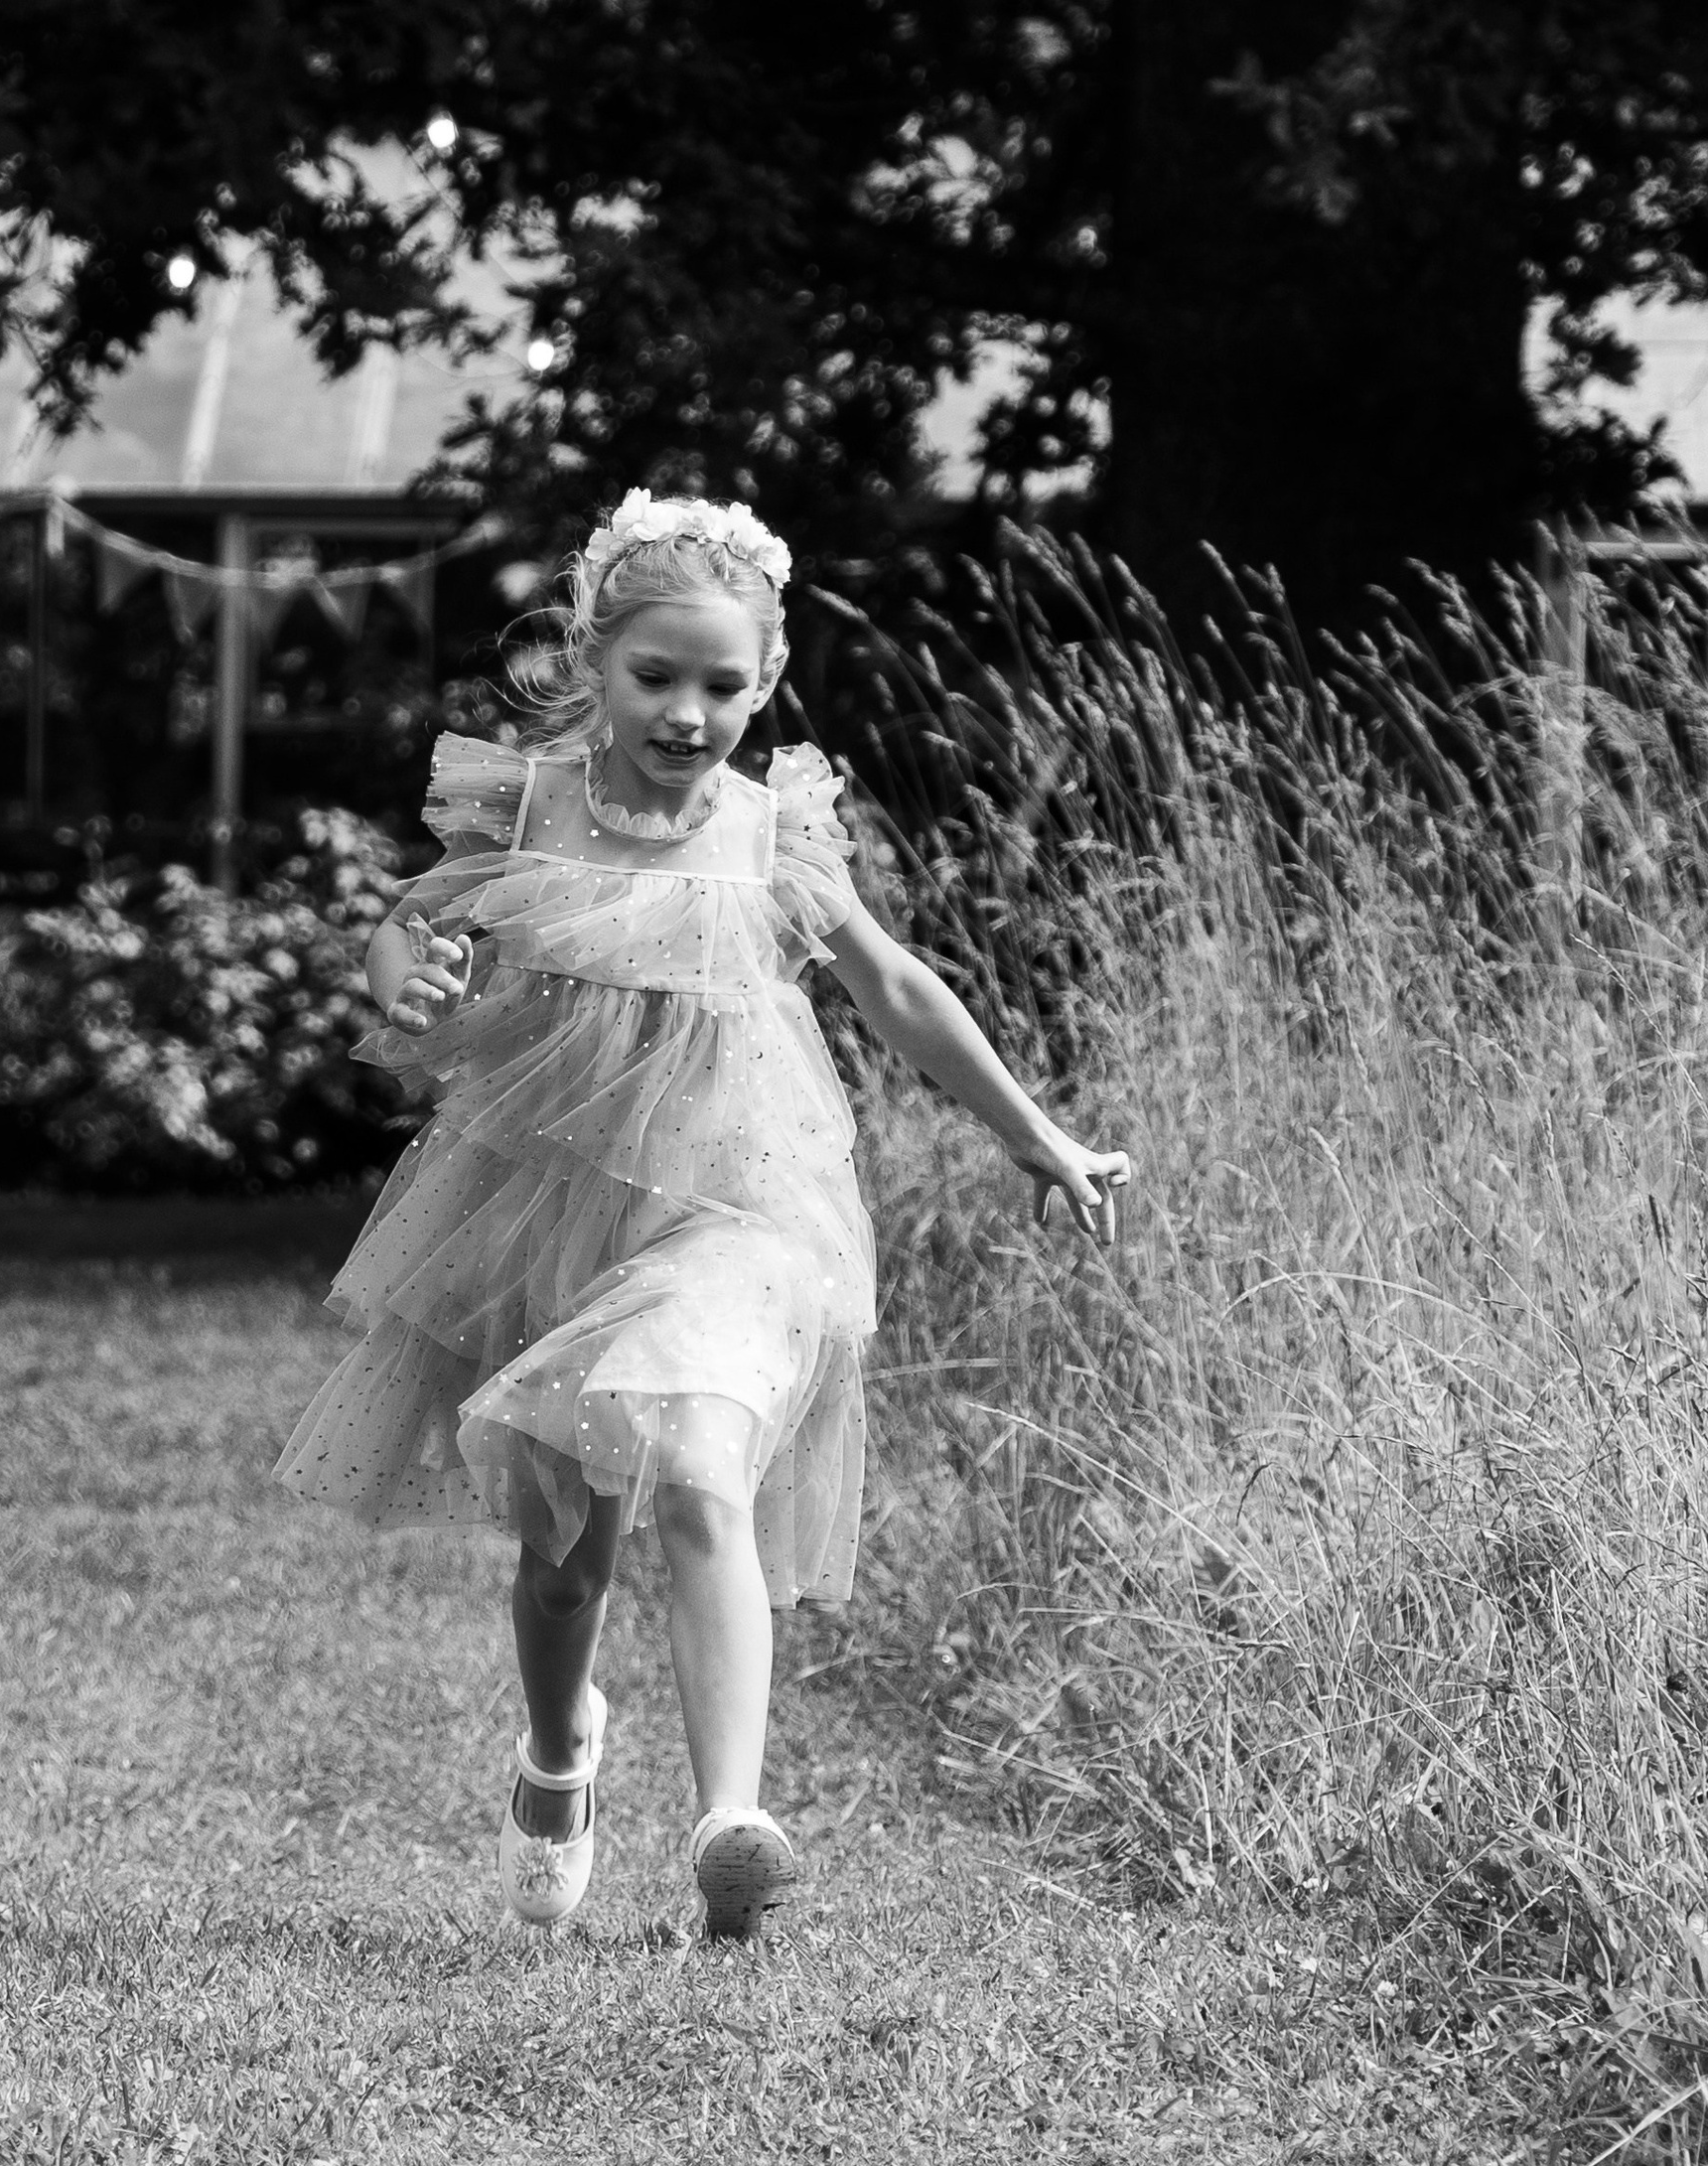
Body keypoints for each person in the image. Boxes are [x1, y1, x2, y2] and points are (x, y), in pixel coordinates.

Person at [275, 489, 1129, 1939]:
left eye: (723, 686)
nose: (688, 712)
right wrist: (401, 981)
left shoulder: (773, 831)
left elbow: (899, 991)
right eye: (655, 677)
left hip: (745, 1210)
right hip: (550, 1210)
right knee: (565, 1564)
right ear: (595, 665)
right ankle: (560, 1750)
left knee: (698, 1465)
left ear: (767, 682)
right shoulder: (527, 800)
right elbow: (410, 920)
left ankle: (733, 1822)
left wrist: (1038, 1136)